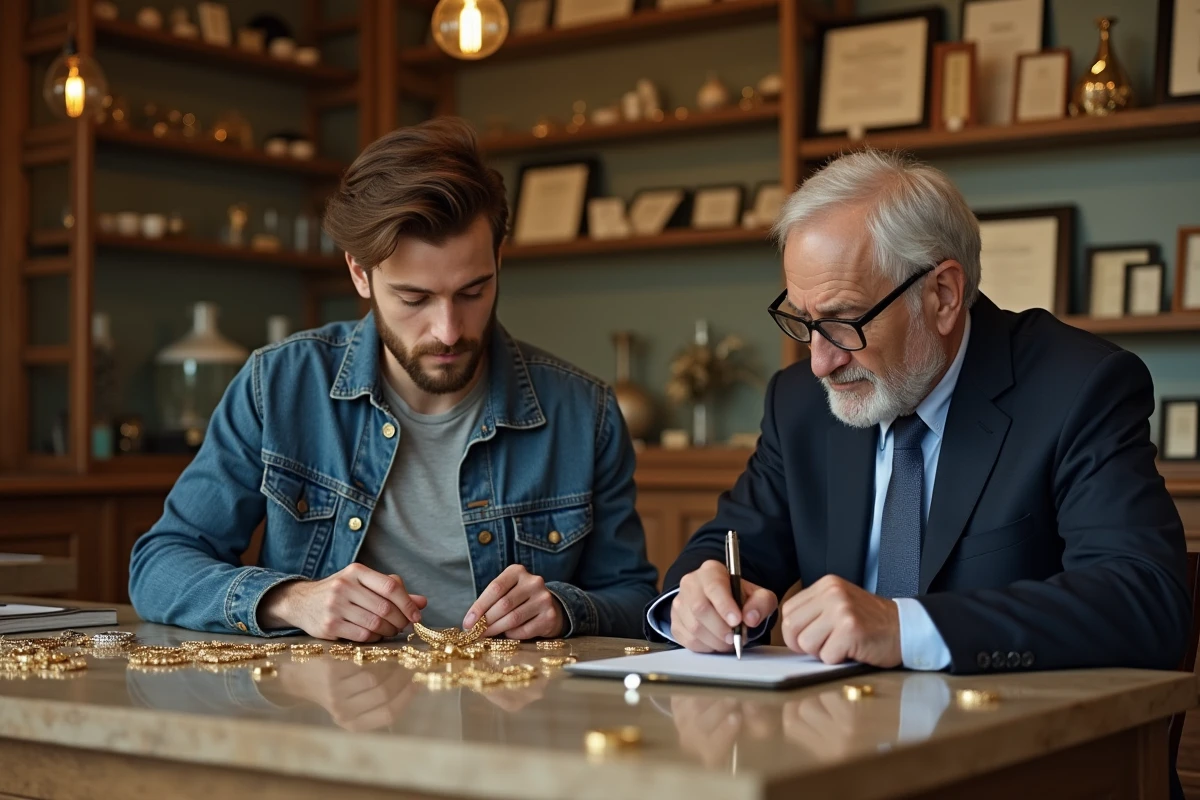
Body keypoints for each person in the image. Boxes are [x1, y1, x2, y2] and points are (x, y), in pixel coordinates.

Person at [646, 148, 1190, 679]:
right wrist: (698, 600)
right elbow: (727, 549)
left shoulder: (1076, 387)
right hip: (831, 743)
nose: (819, 362)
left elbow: (1144, 600)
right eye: (804, 320)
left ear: (944, 295)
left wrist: (903, 627)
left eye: (843, 321)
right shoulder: (800, 406)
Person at [131, 116, 658, 642]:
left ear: (498, 260)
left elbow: (638, 601)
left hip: (510, 714)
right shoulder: (279, 385)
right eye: (414, 299)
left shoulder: (584, 413)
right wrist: (293, 601)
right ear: (360, 273)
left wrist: (566, 609)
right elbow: (158, 566)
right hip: (327, 716)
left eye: (473, 292)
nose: (448, 330)